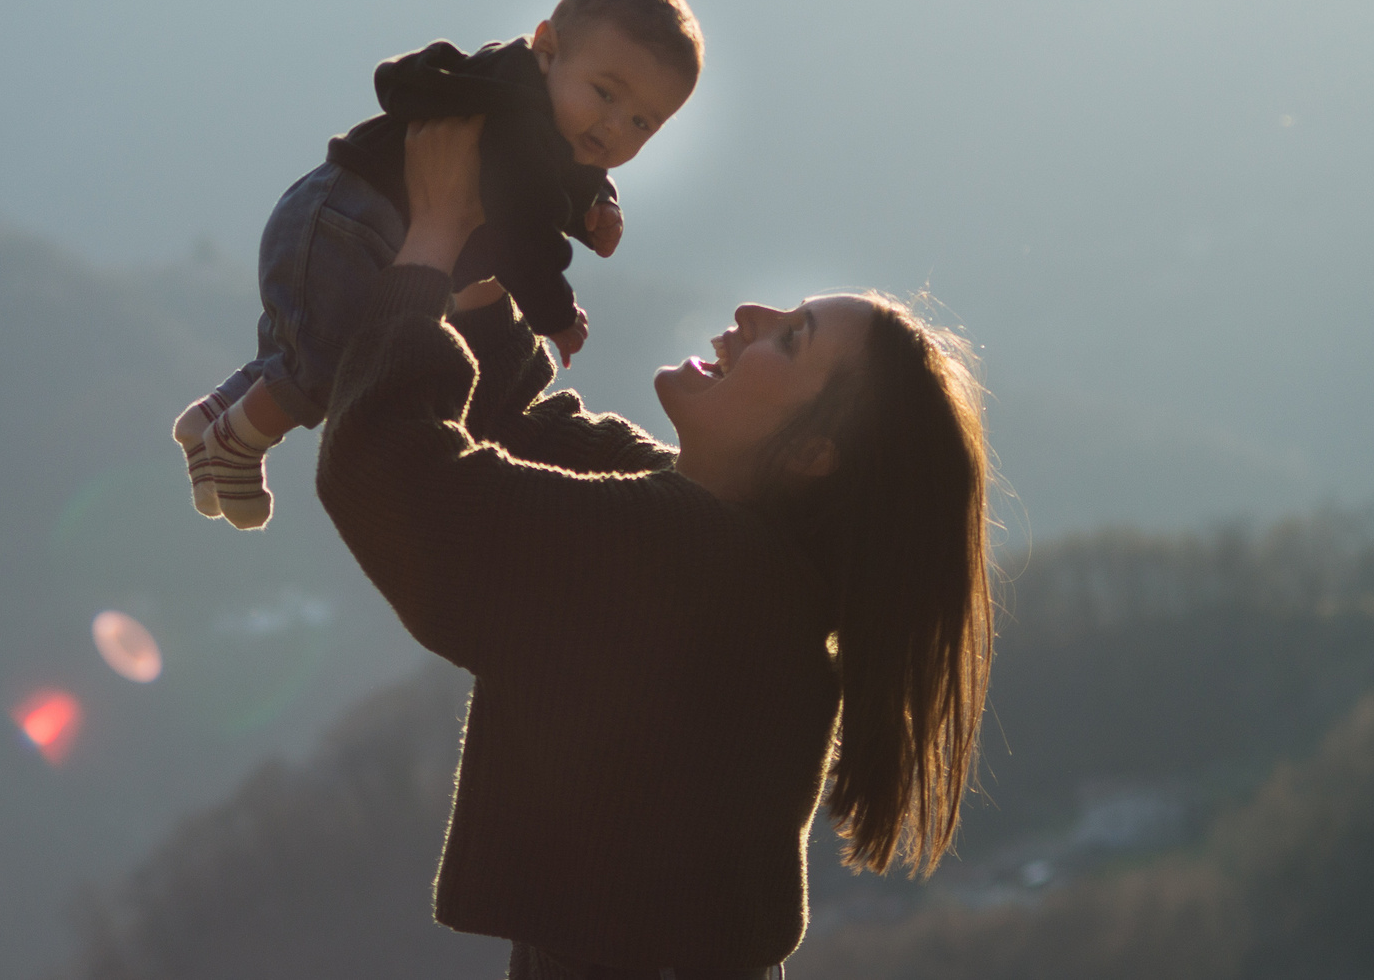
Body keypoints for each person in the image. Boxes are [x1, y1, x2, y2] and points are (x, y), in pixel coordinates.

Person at [314, 114, 995, 978]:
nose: (753, 311)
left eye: (792, 338)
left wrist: (433, 238)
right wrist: (484, 272)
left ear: (815, 453)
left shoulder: (685, 562)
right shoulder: (748, 566)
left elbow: (391, 471)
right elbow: (536, 435)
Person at [176, 0, 702, 529]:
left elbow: (575, 168)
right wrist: (556, 314)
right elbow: (524, 240)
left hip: (330, 214)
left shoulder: (523, 92)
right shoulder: (520, 126)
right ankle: (236, 446)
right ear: (547, 48)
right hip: (350, 231)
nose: (614, 125)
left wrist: (602, 200)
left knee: (309, 346)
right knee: (338, 365)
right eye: (605, 93)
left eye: (642, 121)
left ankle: (209, 419)